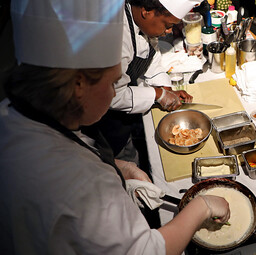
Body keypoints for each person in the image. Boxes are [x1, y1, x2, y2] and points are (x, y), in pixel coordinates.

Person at [0, 0, 230, 254]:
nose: (113, 94)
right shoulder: (86, 184)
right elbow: (146, 251)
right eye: (111, 83)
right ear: (78, 86)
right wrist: (203, 207)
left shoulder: (9, 113)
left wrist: (121, 168)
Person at [96, 0, 201, 167]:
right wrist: (158, 95)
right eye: (167, 25)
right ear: (146, 11)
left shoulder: (140, 22)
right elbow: (112, 95)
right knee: (123, 165)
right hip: (104, 125)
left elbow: (149, 55)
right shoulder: (115, 38)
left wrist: (165, 87)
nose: (168, 32)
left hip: (125, 116)